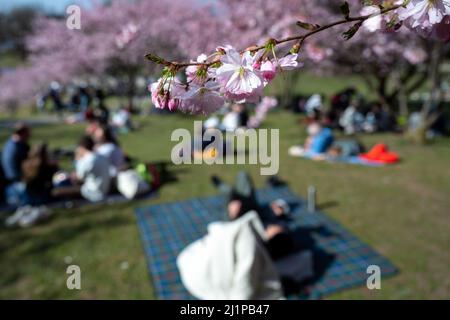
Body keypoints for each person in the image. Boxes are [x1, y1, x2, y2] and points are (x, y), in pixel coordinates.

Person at [53, 136, 111, 202]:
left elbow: (77, 178)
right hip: (103, 188)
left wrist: (77, 160)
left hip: (92, 192)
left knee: (57, 191)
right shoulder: (101, 156)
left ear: (82, 147)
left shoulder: (86, 160)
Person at [1, 123, 31, 205]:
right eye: (28, 133)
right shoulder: (17, 148)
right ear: (22, 133)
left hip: (11, 179)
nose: (30, 136)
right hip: (15, 181)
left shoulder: (10, 143)